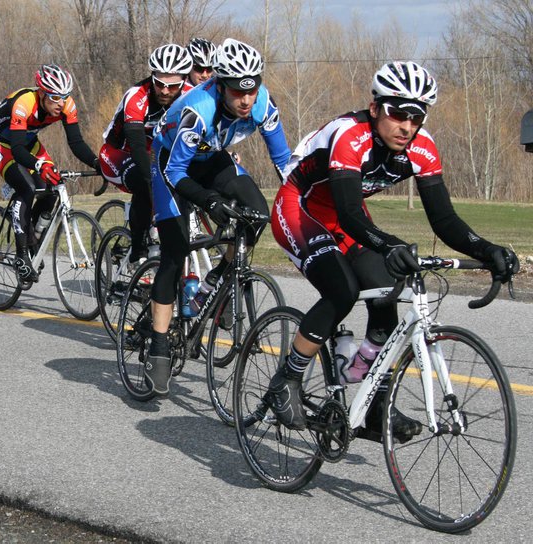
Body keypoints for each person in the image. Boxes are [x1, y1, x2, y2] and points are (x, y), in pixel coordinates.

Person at [266, 61, 520, 440]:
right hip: (300, 206)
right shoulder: (351, 135)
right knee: (341, 289)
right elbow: (351, 214)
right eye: (398, 114)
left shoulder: (422, 147)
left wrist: (487, 250)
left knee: (388, 283)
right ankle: (286, 378)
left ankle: (374, 400)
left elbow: (444, 219)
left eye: (417, 117)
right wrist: (390, 244)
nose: (407, 126)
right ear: (375, 109)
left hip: (345, 215)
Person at [145, 38, 292, 395]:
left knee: (257, 214)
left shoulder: (262, 103)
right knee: (175, 252)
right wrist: (209, 200)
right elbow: (176, 172)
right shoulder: (199, 109)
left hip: (211, 158)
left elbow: (284, 162)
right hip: (170, 164)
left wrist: (300, 203)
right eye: (238, 91)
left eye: (252, 89)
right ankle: (158, 345)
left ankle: (215, 281)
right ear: (220, 86)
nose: (246, 100)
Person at [0, 64, 100, 283]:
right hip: (1, 143)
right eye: (55, 97)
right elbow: (17, 150)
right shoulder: (24, 103)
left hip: (28, 141)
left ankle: (32, 236)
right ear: (42, 94)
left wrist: (97, 163)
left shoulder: (66, 105)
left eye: (64, 97)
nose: (61, 103)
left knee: (53, 185)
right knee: (26, 188)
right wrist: (39, 166)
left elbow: (76, 142)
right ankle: (21, 256)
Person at [98, 44, 193, 265]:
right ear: (152, 77)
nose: (165, 91)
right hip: (118, 152)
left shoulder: (191, 94)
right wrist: (153, 181)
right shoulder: (137, 96)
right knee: (145, 182)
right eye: (159, 83)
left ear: (183, 81)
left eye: (172, 86)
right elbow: (137, 145)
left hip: (154, 152)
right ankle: (138, 249)